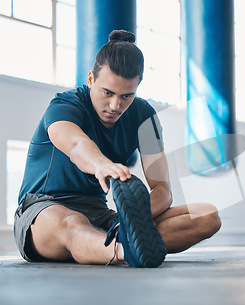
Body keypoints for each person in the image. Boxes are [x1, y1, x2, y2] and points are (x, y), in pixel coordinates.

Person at [14, 30, 221, 267]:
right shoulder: (64, 106)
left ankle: (115, 242)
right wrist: (101, 165)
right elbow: (76, 144)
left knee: (207, 215)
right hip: (43, 210)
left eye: (127, 96)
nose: (115, 105)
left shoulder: (145, 117)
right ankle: (125, 251)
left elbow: (163, 190)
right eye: (108, 93)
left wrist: (133, 219)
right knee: (73, 223)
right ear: (91, 79)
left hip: (101, 216)